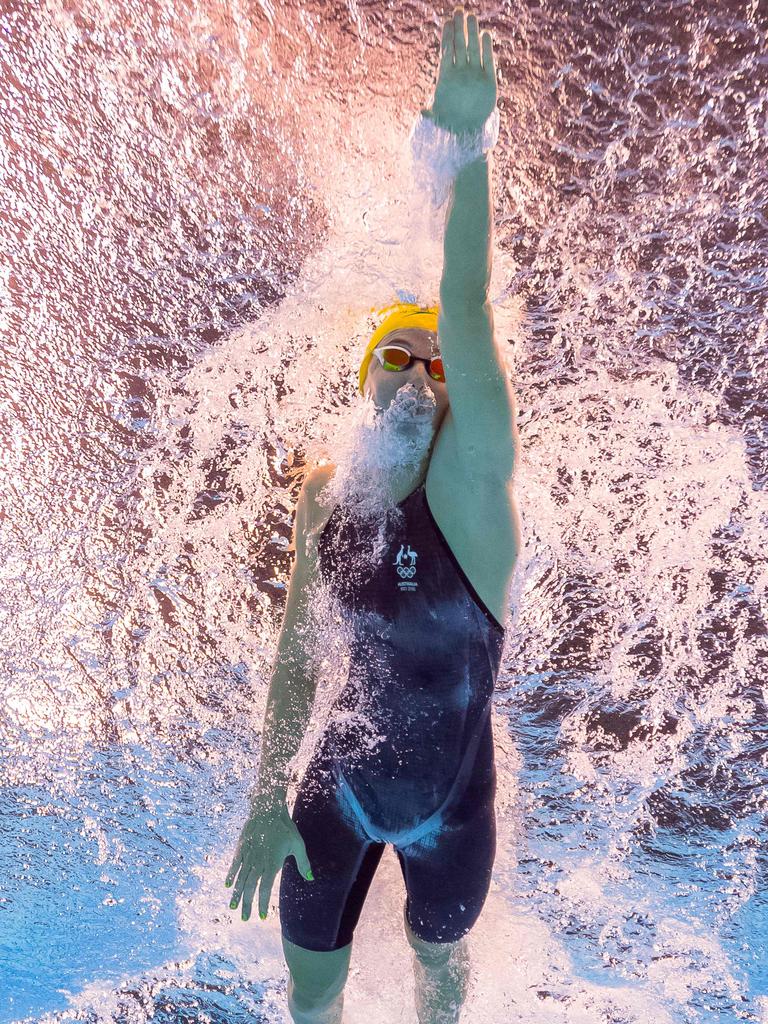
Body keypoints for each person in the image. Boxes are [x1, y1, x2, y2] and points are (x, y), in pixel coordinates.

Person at [224, 8, 520, 1023]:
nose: (418, 369)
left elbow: (467, 310)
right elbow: (299, 659)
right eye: (396, 352)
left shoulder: (473, 490)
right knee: (314, 1002)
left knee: (439, 990)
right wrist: (266, 801)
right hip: (333, 798)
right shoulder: (330, 496)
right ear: (365, 378)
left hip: (454, 816)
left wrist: (465, 149)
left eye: (433, 364)